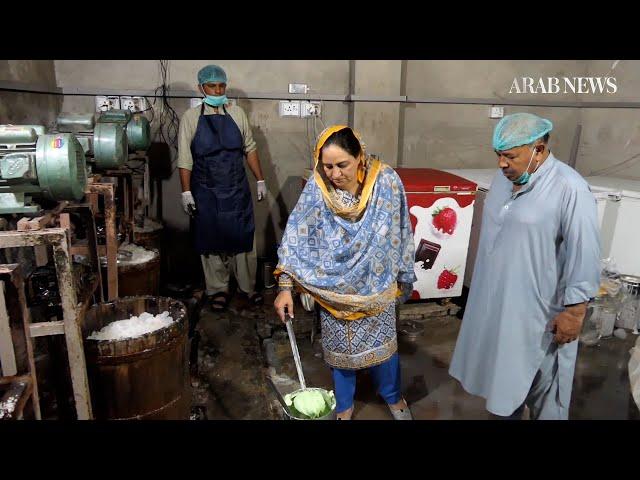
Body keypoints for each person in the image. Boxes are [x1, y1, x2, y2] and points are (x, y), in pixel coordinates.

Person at [448, 112, 601, 420]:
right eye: (498, 156)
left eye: (510, 156)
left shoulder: (569, 188)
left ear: (539, 151)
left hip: (541, 315)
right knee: (501, 384)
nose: (502, 164)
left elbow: (584, 252)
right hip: (500, 310)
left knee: (547, 393)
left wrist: (575, 311)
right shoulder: (503, 182)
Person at [273, 125, 417, 420]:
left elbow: (401, 229)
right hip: (334, 290)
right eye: (327, 166)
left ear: (359, 157)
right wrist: (285, 286)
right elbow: (296, 237)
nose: (335, 174)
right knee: (341, 356)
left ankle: (393, 396)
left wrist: (403, 273)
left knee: (385, 352)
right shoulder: (318, 188)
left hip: (377, 286)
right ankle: (344, 405)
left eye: (342, 165)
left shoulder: (386, 181)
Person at [178, 64, 266, 310]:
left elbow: (249, 148)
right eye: (212, 86)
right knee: (211, 241)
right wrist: (186, 192)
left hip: (236, 187)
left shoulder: (237, 114)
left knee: (243, 238)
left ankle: (247, 288)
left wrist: (260, 179)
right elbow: (185, 158)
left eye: (221, 86)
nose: (217, 90)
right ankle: (218, 289)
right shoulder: (191, 118)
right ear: (201, 88)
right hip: (205, 190)